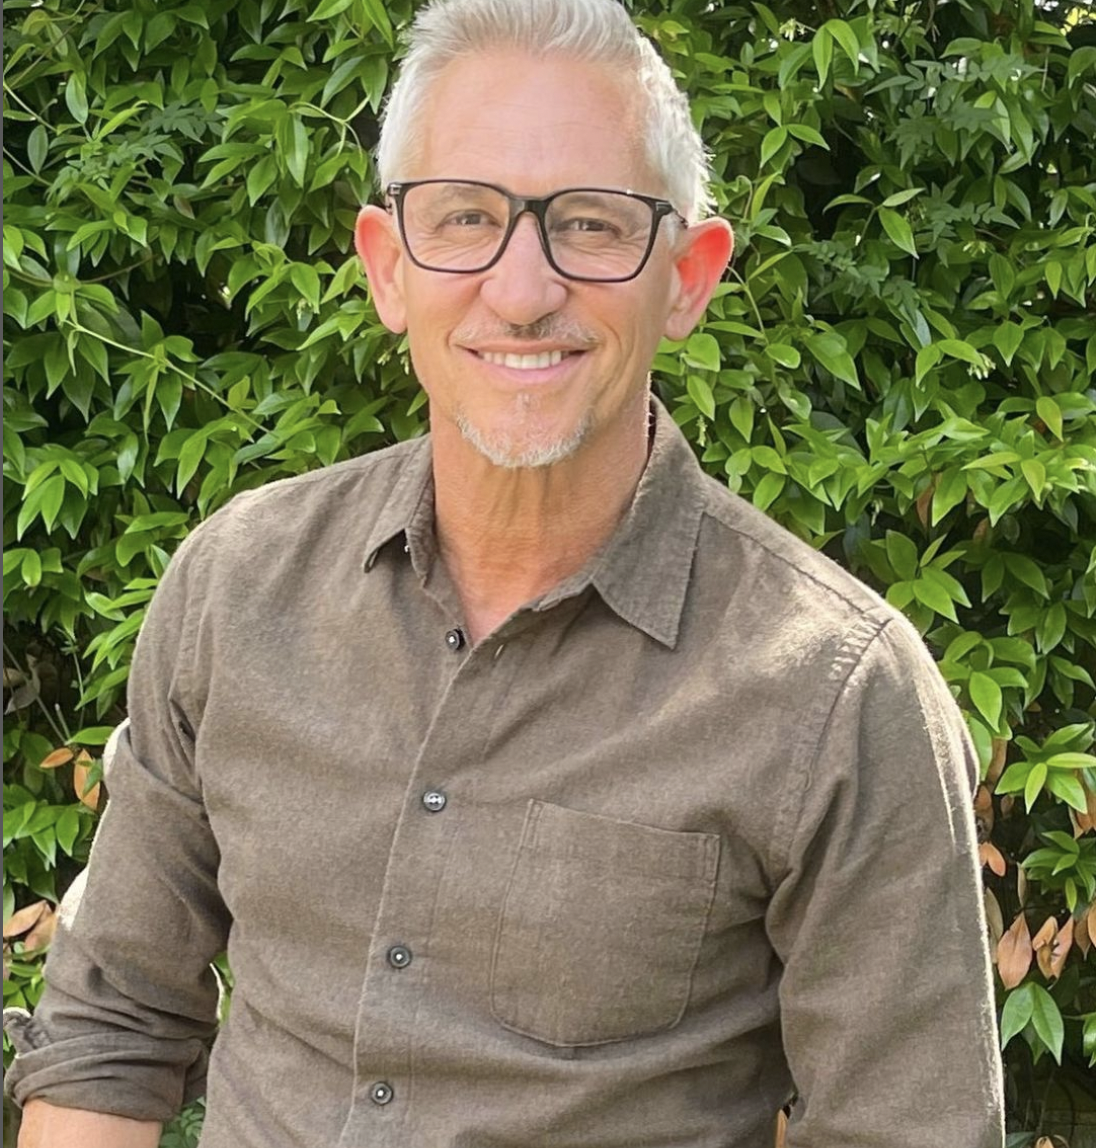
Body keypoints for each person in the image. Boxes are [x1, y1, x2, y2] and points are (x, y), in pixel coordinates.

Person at [6, 0, 1005, 1145]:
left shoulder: (836, 694)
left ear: (686, 277)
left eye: (590, 223)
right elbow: (113, 1026)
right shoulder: (238, 588)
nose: (522, 290)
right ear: (388, 268)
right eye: (466, 216)